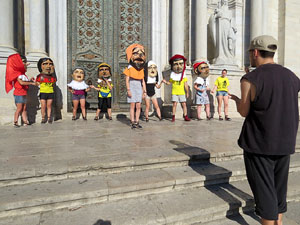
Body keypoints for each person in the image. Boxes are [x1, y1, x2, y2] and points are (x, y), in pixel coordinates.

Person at [230, 35, 300, 225]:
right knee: (279, 189)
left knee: (265, 193)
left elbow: (244, 112)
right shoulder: (292, 76)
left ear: (255, 52)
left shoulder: (250, 78)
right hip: (285, 142)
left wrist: (237, 101)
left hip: (260, 144)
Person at [5, 54, 38, 127]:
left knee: (24, 108)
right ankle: (15, 121)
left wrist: (30, 80)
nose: (25, 64)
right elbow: (21, 82)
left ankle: (25, 121)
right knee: (19, 108)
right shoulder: (17, 74)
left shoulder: (23, 74)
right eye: (23, 62)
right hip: (19, 93)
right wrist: (32, 83)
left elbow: (24, 81)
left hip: (24, 93)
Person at [123, 43, 147, 129]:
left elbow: (143, 81)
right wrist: (128, 89)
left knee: (138, 105)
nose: (139, 55)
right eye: (136, 53)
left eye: (141, 53)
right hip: (132, 86)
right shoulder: (129, 68)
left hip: (139, 88)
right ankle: (132, 121)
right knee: (132, 105)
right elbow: (127, 79)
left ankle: (137, 121)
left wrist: (144, 91)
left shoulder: (141, 69)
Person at [163, 54, 190, 122]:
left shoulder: (183, 75)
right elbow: (170, 82)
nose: (178, 66)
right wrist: (165, 82)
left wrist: (187, 92)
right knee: (174, 104)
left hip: (181, 92)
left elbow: (185, 84)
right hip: (175, 92)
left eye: (180, 64)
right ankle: (173, 116)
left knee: (184, 104)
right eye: (176, 64)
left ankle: (185, 116)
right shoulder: (173, 75)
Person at [36, 58, 56, 124]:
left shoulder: (52, 77)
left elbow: (53, 84)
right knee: (43, 106)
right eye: (45, 64)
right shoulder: (40, 76)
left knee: (49, 106)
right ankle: (43, 118)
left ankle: (49, 118)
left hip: (50, 92)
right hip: (43, 92)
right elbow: (37, 83)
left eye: (50, 64)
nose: (48, 66)